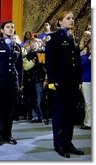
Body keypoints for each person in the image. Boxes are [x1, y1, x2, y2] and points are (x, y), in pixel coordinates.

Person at [45, 11, 84, 158]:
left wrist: (79, 81)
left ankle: (68, 142)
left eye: (72, 18)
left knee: (70, 115)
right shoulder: (53, 37)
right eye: (68, 18)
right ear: (60, 22)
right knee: (60, 114)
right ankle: (59, 144)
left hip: (72, 84)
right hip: (59, 83)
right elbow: (50, 61)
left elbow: (76, 63)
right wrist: (52, 81)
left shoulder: (72, 38)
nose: (72, 20)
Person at [0, 21, 23, 146]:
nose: (11, 29)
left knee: (10, 111)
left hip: (13, 82)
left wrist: (20, 83)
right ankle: (0, 136)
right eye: (8, 27)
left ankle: (8, 135)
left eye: (12, 27)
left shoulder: (17, 46)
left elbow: (20, 67)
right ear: (2, 30)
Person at [80, 39, 91, 130]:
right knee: (88, 103)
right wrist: (89, 58)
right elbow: (81, 67)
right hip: (86, 81)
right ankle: (88, 123)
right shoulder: (84, 56)